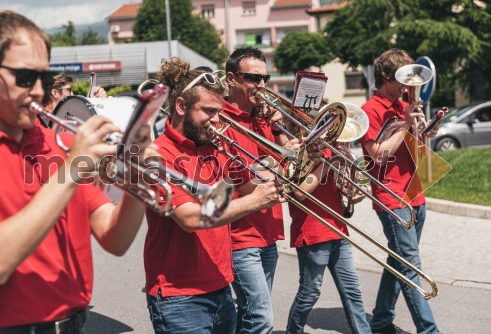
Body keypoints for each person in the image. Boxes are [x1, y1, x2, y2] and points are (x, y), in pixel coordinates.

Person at [0, 10, 154, 333]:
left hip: (72, 323)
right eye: (25, 78)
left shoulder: (60, 144)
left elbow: (115, 239)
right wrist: (73, 169)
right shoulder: (72, 159)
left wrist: (137, 180)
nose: (38, 91)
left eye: (44, 78)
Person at [144, 57, 286, 334]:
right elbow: (190, 218)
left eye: (219, 111)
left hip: (221, 285)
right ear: (181, 106)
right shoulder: (159, 155)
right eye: (208, 111)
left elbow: (249, 188)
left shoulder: (214, 147)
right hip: (179, 296)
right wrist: (255, 201)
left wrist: (296, 158)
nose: (217, 120)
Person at [222, 46, 323, 334]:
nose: (262, 85)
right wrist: (283, 159)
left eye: (265, 79)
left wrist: (287, 143)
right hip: (241, 238)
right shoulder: (221, 121)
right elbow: (245, 180)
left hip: (268, 232)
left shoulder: (263, 119)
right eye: (254, 78)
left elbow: (287, 178)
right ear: (231, 79)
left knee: (248, 318)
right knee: (261, 320)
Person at [359, 48, 440, 334]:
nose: (409, 83)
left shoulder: (406, 103)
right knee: (411, 267)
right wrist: (405, 124)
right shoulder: (370, 110)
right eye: (402, 76)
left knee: (398, 262)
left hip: (415, 192)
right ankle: (429, 330)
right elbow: (378, 155)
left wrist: (424, 131)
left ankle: (380, 320)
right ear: (385, 76)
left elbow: (419, 154)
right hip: (390, 197)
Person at [285, 148, 371, 334]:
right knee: (310, 292)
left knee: (352, 292)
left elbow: (342, 188)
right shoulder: (296, 152)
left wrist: (356, 191)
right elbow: (300, 192)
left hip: (338, 230)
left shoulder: (333, 150)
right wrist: (329, 163)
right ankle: (293, 331)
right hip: (313, 231)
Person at [42, 73, 107, 113]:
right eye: (69, 90)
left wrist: (96, 101)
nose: (72, 94)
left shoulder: (71, 114)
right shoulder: (39, 119)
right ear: (55, 93)